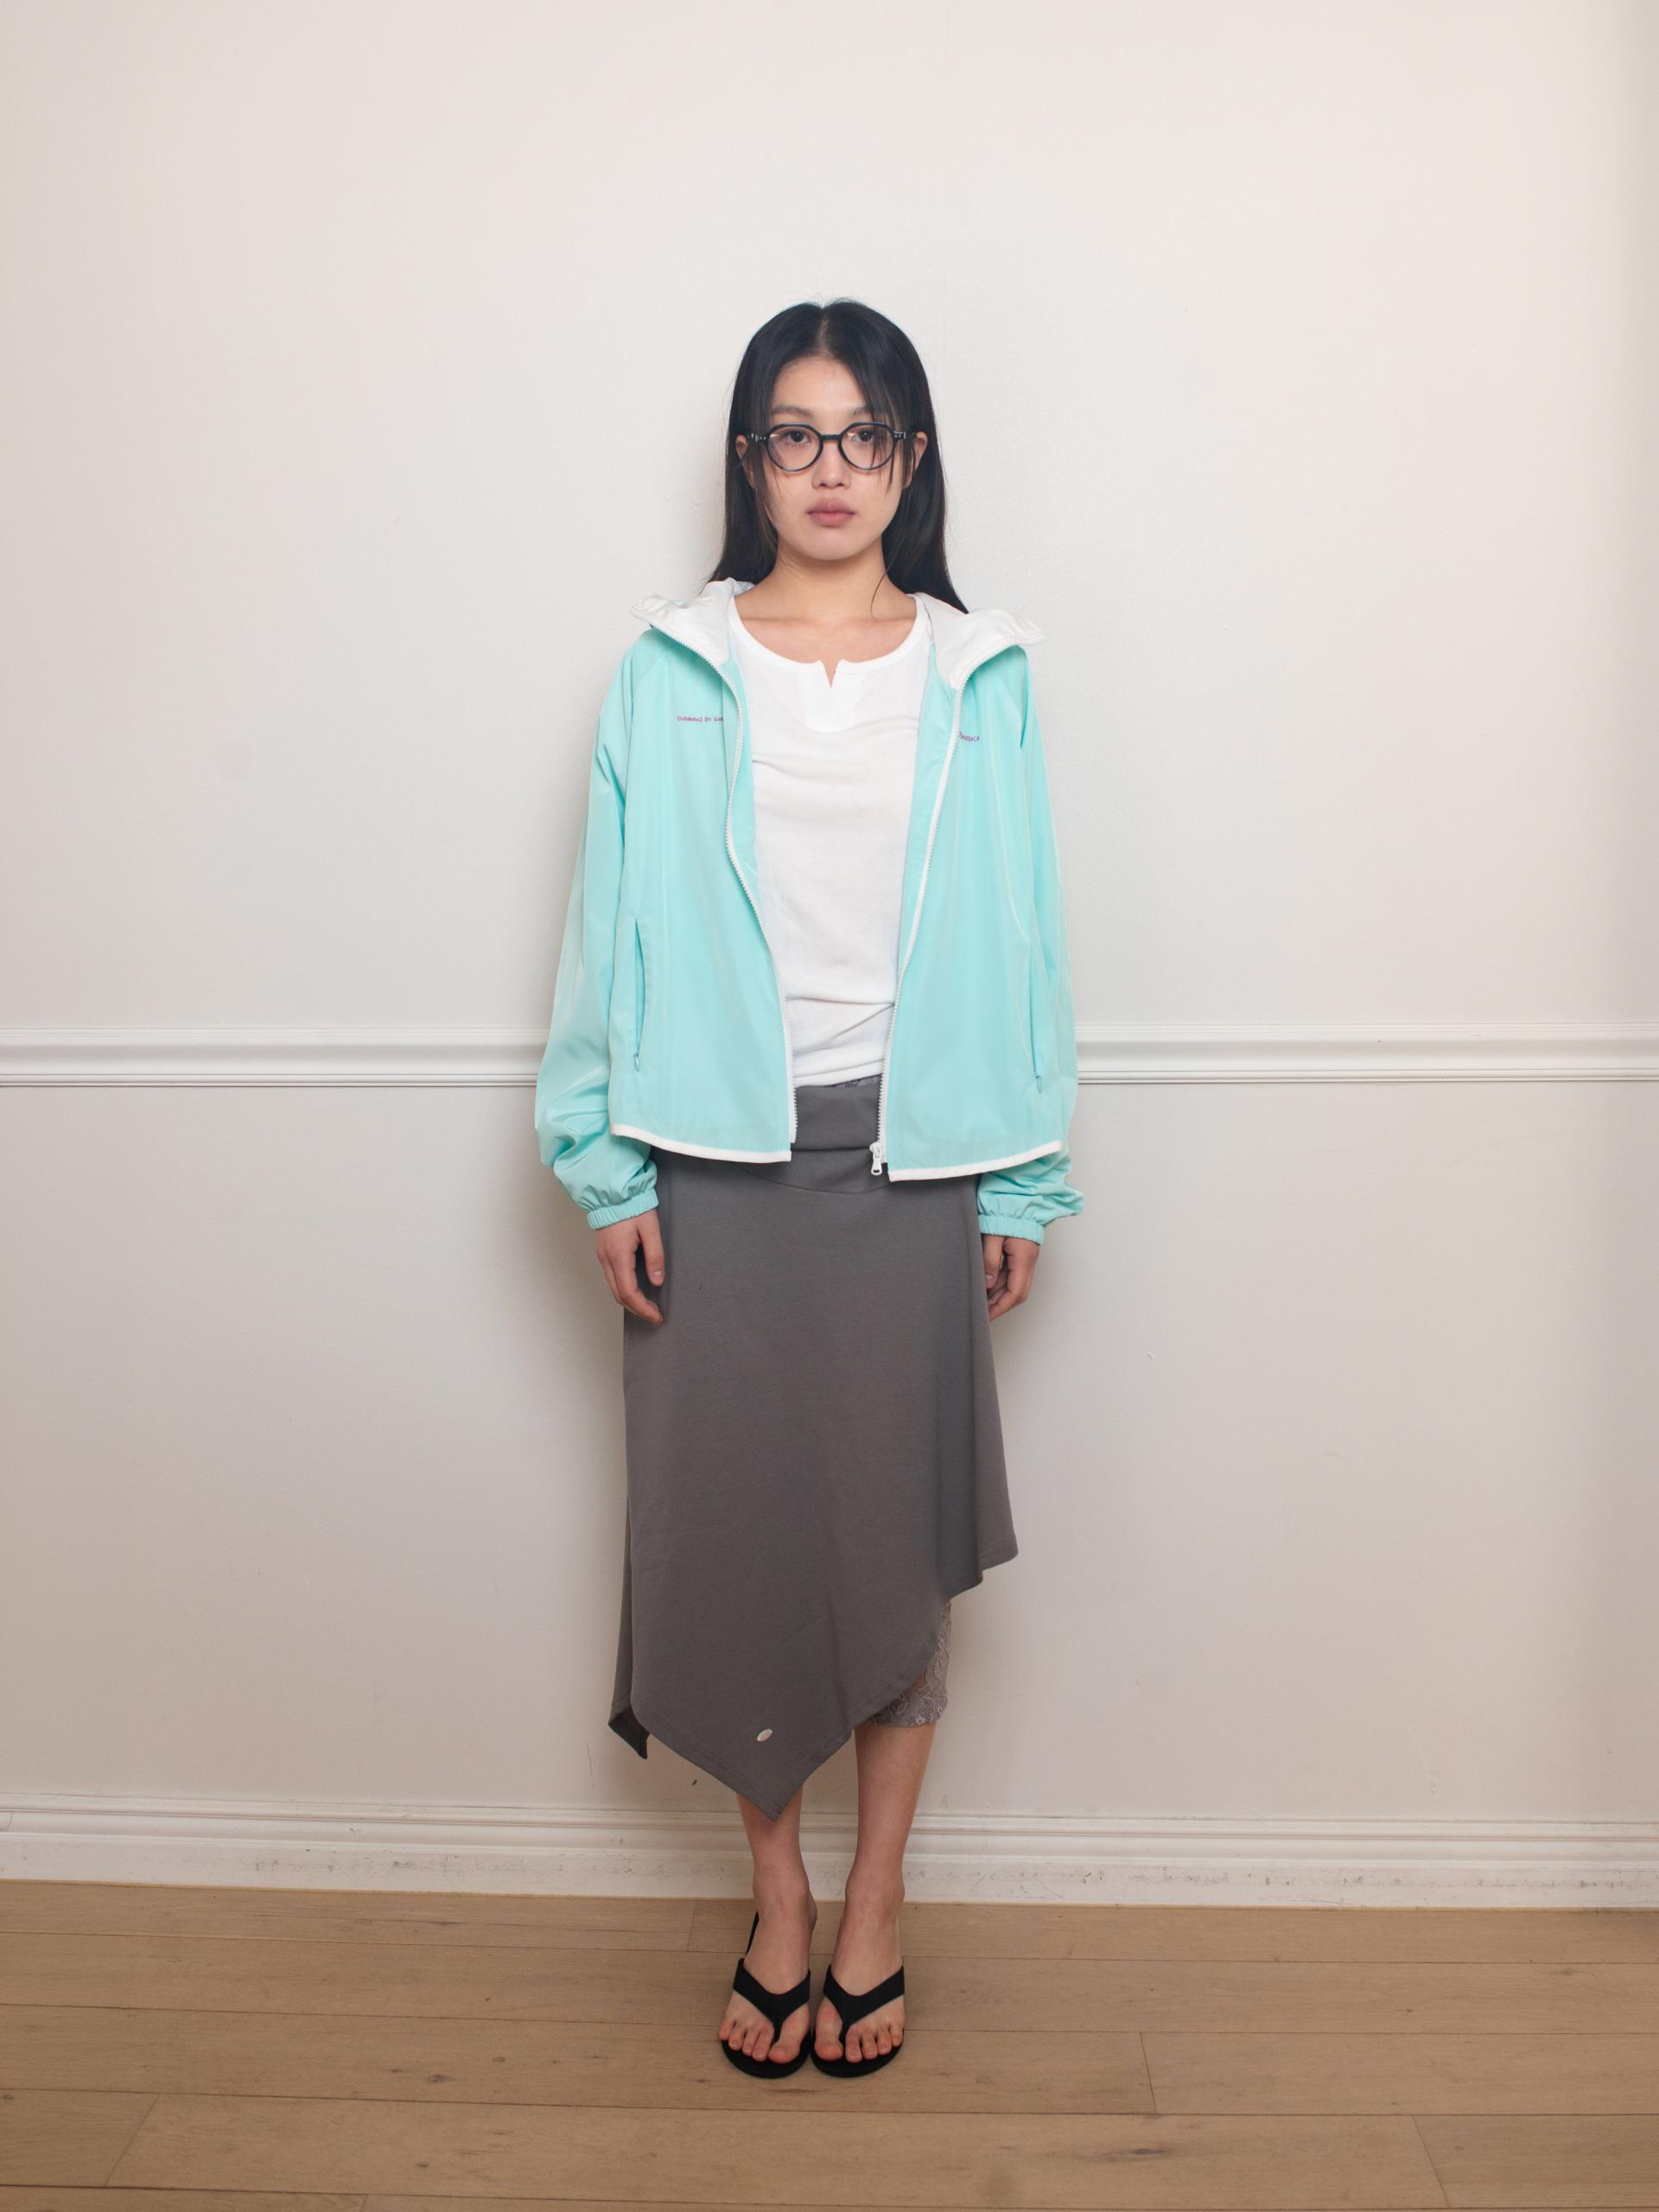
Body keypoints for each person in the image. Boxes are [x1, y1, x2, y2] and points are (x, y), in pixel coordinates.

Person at [534, 298, 1083, 2080]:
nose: (830, 468)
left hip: (915, 1158)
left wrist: (1024, 1177)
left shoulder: (982, 673)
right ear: (750, 459)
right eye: (796, 433)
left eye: (865, 435)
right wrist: (605, 1159)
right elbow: (603, 933)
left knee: (894, 1540)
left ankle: (877, 1900)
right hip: (710, 1162)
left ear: (911, 460)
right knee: (728, 1544)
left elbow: (1025, 936)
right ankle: (775, 1894)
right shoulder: (669, 668)